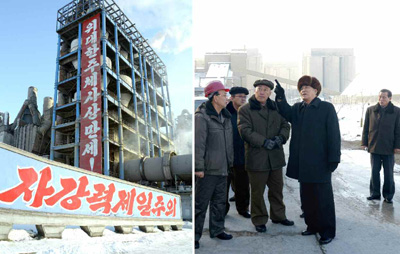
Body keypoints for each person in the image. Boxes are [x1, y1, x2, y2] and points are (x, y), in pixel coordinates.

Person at [274, 75, 341, 245]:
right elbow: (285, 111)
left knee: (323, 199)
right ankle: (312, 226)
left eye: (307, 87)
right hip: (303, 161)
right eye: (302, 87)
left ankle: (327, 231)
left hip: (321, 161)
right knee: (307, 197)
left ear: (316, 91)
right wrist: (280, 97)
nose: (304, 90)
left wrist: (334, 158)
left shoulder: (326, 108)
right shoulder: (298, 108)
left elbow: (334, 135)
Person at [238, 79, 294, 233]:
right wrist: (264, 142)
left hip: (275, 157)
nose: (262, 92)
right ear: (254, 91)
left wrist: (280, 138)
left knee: (277, 189)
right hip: (257, 158)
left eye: (265, 90)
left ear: (270, 93)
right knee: (257, 192)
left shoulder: (276, 107)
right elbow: (245, 130)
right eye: (259, 89)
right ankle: (259, 219)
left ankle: (278, 216)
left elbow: (286, 125)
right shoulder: (245, 109)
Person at [194, 80, 234, 249]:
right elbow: (199, 144)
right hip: (208, 170)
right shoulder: (202, 117)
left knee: (219, 202)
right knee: (201, 204)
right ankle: (194, 236)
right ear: (214, 97)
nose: (227, 98)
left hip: (223, 168)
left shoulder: (225, 116)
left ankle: (217, 229)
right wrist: (198, 168)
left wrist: (230, 163)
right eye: (224, 95)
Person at [362, 89, 400, 203]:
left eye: (384, 97)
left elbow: (398, 130)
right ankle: (375, 194)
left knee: (388, 174)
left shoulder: (396, 111)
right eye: (380, 97)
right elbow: (366, 127)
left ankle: (388, 196)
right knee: (374, 172)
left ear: (390, 98)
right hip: (374, 146)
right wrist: (364, 142)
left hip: (389, 147)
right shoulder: (371, 110)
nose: (381, 99)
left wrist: (397, 146)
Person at [226, 86, 250, 218]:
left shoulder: (247, 112)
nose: (242, 99)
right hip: (226, 154)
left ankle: (243, 209)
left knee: (243, 184)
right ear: (232, 98)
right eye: (239, 96)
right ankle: (222, 210)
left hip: (242, 153)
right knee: (224, 186)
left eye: (244, 97)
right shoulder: (224, 113)